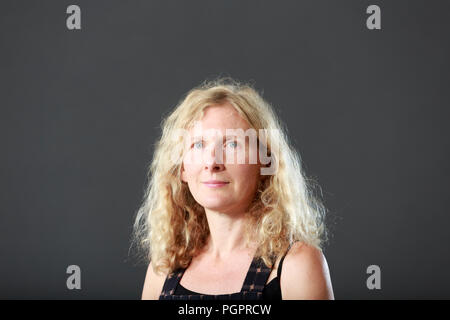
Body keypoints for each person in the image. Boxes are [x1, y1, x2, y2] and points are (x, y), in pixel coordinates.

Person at [132, 78, 334, 300]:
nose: (212, 162)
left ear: (264, 161)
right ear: (182, 169)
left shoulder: (296, 266)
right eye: (198, 145)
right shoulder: (163, 269)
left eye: (232, 144)